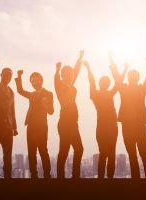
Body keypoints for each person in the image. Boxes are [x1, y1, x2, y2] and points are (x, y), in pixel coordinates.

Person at [117, 49, 146, 179]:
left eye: (134, 77)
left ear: (136, 78)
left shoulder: (138, 89)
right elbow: (117, 77)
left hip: (137, 125)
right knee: (135, 154)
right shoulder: (126, 89)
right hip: (130, 125)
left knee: (143, 153)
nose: (132, 79)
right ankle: (143, 179)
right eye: (131, 77)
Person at [84, 52, 127, 179]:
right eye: (105, 82)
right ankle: (103, 180)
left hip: (110, 126)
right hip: (103, 127)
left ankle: (108, 179)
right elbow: (92, 80)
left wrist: (122, 68)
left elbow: (118, 82)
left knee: (110, 154)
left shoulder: (108, 93)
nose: (106, 84)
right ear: (102, 84)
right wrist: (88, 68)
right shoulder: (96, 94)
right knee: (105, 154)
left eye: (107, 83)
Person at [16, 69, 54, 179]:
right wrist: (19, 76)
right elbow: (20, 90)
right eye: (32, 81)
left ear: (41, 80)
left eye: (36, 80)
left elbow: (51, 111)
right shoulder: (31, 94)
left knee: (43, 151)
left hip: (42, 126)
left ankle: (47, 175)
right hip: (31, 126)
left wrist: (46, 104)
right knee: (31, 152)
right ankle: (34, 175)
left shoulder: (48, 94)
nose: (34, 83)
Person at [54, 51, 85, 179]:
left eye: (72, 74)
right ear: (63, 75)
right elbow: (56, 79)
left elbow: (76, 70)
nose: (72, 76)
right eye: (69, 74)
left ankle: (75, 177)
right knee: (64, 152)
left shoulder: (71, 84)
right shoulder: (60, 85)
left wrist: (80, 58)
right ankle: (61, 179)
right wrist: (57, 70)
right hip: (65, 122)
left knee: (79, 149)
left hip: (73, 123)